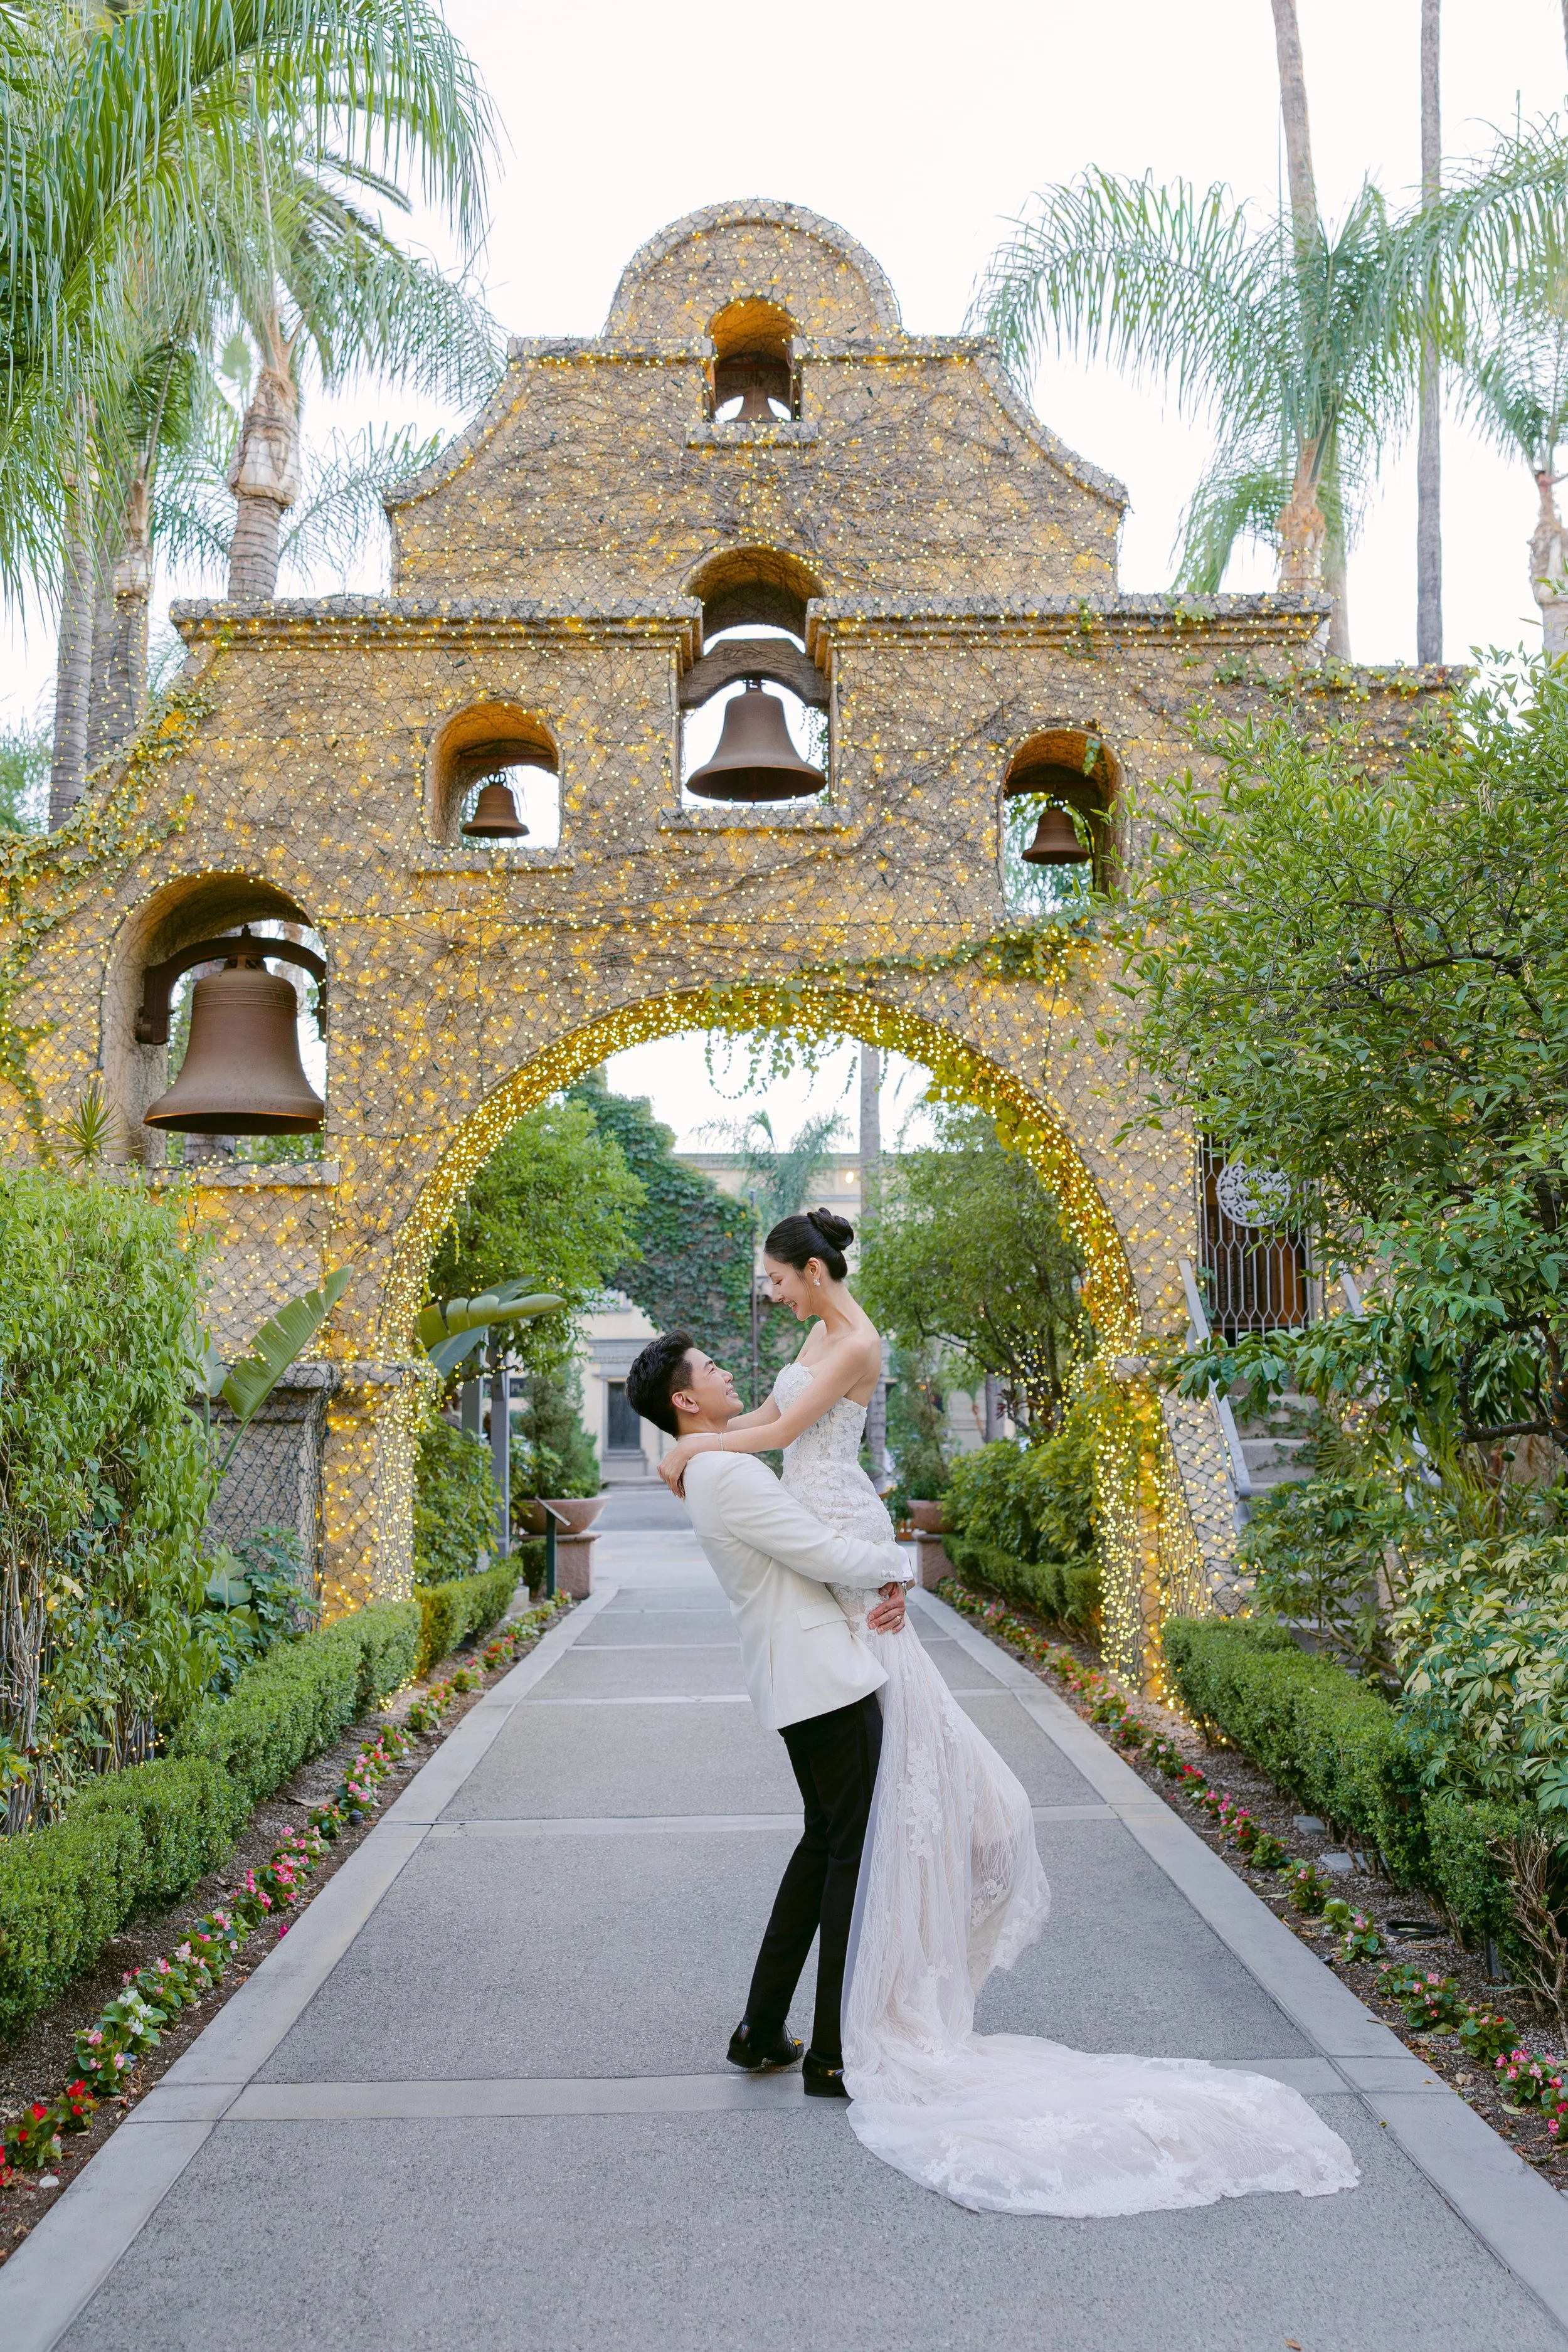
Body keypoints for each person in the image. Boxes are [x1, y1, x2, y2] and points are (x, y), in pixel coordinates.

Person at [645, 1206, 1360, 2218]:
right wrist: (712, 1465)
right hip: (827, 1543)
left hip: (833, 1523)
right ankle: (831, 2032)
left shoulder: (855, 1341)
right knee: (859, 1819)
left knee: (884, 1808)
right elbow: (763, 1451)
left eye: (772, 1277)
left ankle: (838, 2026)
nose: (765, 1294)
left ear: (809, 1271)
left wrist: (686, 1454)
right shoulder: (812, 1336)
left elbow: (778, 1432)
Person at [625, 1325, 911, 2100]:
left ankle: (759, 2031)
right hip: (823, 1679)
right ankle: (831, 2055)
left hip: (798, 1677)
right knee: (850, 1855)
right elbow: (817, 1551)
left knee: (822, 1847)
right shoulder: (728, 1474)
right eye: (711, 1369)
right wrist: (898, 1564)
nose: (725, 1375)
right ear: (685, 1399)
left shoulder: (713, 1464)